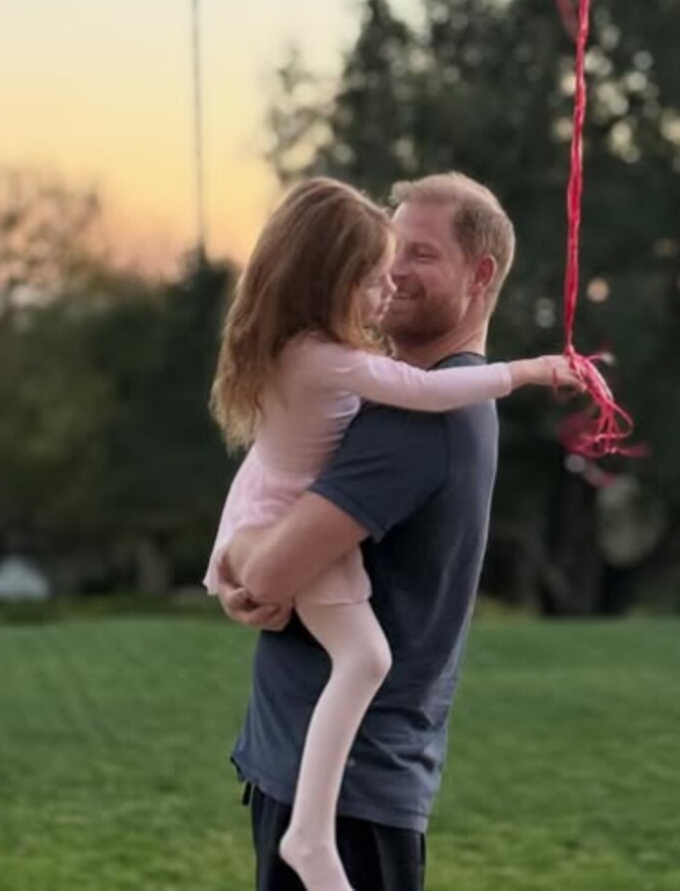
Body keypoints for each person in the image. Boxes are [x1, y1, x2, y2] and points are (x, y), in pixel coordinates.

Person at [205, 174, 574, 891]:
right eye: (388, 250)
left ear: (481, 274)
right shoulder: (367, 387)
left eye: (421, 255)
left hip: (351, 798)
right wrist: (238, 567)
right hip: (321, 770)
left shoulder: (417, 420)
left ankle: (308, 840)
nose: (393, 270)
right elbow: (274, 471)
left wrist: (239, 562)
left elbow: (271, 576)